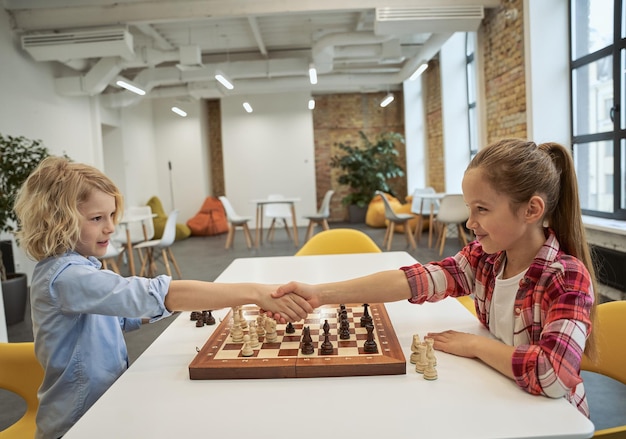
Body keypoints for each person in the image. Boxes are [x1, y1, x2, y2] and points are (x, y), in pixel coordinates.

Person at [273, 138, 597, 417]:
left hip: (553, 420)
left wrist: (473, 345)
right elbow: (414, 280)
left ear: (531, 210)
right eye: (470, 208)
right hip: (501, 400)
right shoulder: (485, 258)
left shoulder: (565, 278)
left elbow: (553, 375)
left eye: (482, 209)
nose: (470, 223)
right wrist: (320, 294)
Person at [13, 157, 312, 439]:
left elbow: (123, 315)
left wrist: (184, 305)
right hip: (78, 424)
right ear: (57, 221)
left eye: (112, 215)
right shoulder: (66, 278)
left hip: (106, 407)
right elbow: (155, 294)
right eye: (96, 218)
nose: (111, 227)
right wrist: (254, 293)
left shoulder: (80, 269)